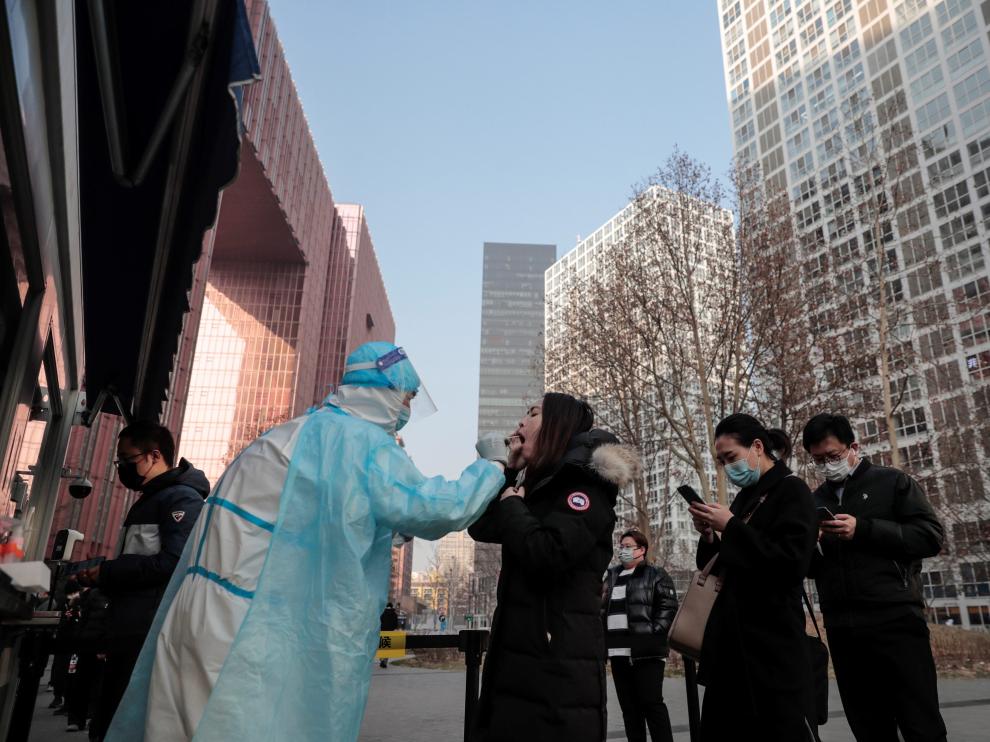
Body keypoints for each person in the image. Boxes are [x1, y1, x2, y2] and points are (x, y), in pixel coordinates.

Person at [106, 342, 508, 742]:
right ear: (383, 389)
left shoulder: (291, 434)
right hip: (248, 631)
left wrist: (387, 529)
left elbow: (319, 521)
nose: (406, 409)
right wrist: (492, 467)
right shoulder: (360, 443)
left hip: (197, 615)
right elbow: (437, 508)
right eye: (407, 396)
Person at [468, 393, 638, 742]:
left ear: (557, 425)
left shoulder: (585, 485)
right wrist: (508, 471)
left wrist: (513, 506)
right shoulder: (535, 486)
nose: (520, 423)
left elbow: (549, 552)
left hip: (555, 667)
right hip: (518, 659)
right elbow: (480, 526)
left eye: (532, 414)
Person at [802, 413, 946, 742]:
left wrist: (864, 529)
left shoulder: (892, 482)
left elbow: (930, 537)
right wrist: (810, 545)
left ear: (854, 447)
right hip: (843, 628)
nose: (827, 465)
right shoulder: (814, 501)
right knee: (868, 727)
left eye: (833, 456)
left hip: (896, 618)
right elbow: (808, 568)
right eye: (818, 460)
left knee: (920, 722)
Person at [688, 413, 818, 741]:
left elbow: (791, 564)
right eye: (721, 461)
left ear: (757, 447)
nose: (727, 467)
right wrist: (710, 535)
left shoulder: (792, 491)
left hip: (771, 651)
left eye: (731, 457)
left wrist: (731, 526)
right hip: (732, 649)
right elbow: (727, 565)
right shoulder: (745, 498)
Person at [83, 421, 209, 741]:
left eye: (128, 459)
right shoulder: (150, 499)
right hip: (127, 627)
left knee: (123, 720)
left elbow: (174, 563)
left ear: (154, 455)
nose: (122, 468)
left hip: (146, 630)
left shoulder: (182, 500)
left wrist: (109, 573)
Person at [603, 529, 677, 742]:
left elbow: (668, 607)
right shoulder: (612, 575)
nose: (623, 550)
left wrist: (652, 635)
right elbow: (601, 608)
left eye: (628, 547)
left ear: (641, 550)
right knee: (629, 710)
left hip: (646, 653)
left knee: (652, 705)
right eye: (621, 547)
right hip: (618, 653)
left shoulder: (655, 574)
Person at [379, 602, 399, 668]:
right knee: (387, 647)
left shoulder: (382, 613)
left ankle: (381, 659)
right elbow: (396, 624)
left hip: (383, 631)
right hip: (390, 632)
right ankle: (385, 661)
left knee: (382, 646)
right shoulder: (394, 614)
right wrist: (392, 628)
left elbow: (379, 621)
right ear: (392, 606)